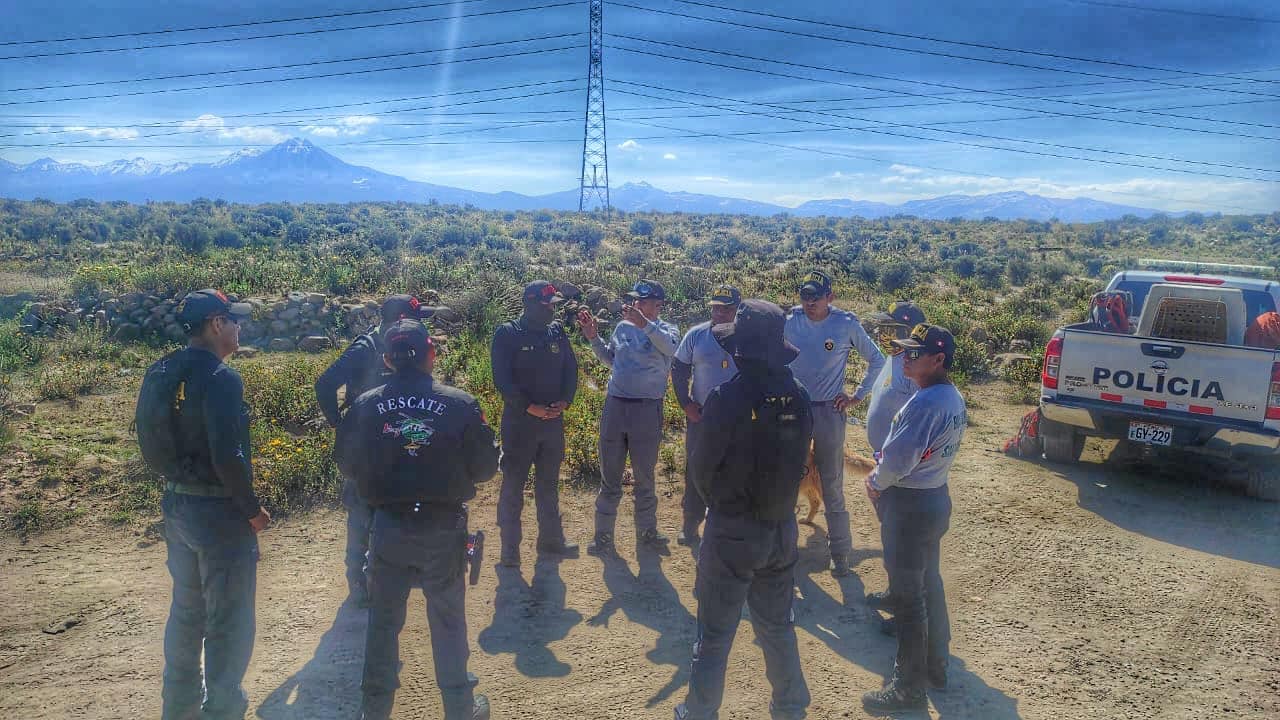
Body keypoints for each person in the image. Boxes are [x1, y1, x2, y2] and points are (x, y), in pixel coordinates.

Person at [336, 319, 498, 720]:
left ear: (388, 359)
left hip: (388, 527)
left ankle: (373, 711)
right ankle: (460, 708)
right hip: (442, 530)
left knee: (383, 625)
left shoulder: (365, 404)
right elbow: (484, 469)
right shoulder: (460, 403)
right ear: (431, 354)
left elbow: (346, 465)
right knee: (447, 623)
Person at [675, 299, 814, 720]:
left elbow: (701, 470)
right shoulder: (799, 396)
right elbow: (800, 462)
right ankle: (790, 707)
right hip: (781, 528)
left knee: (715, 633)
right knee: (777, 627)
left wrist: (719, 505)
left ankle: (699, 712)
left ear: (739, 351)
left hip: (733, 530)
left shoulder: (726, 398)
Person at [146, 289, 271, 720]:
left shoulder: (160, 370)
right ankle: (222, 708)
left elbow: (149, 442)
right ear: (216, 325)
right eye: (234, 322)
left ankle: (178, 706)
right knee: (229, 619)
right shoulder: (222, 378)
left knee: (186, 610)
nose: (239, 330)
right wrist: (252, 510)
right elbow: (228, 456)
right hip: (219, 516)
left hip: (177, 507)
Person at [861, 324, 965, 714]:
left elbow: (899, 462)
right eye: (904, 351)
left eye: (914, 353)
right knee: (928, 585)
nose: (906, 357)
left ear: (938, 359)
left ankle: (908, 688)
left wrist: (875, 481)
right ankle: (936, 667)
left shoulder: (925, 404)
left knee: (908, 601)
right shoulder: (950, 396)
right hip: (934, 498)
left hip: (909, 505)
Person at [316, 294, 434, 606]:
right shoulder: (365, 348)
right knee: (360, 513)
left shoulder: (411, 346)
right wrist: (339, 424)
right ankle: (357, 583)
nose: (419, 323)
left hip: (399, 446)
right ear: (397, 319)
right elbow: (325, 384)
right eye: (415, 317)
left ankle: (396, 575)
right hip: (365, 451)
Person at [783, 270, 886, 576]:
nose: (810, 303)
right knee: (787, 481)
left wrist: (857, 396)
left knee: (831, 483)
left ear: (831, 297)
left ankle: (840, 553)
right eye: (805, 297)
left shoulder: (845, 324)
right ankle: (784, 549)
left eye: (816, 297)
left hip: (829, 411)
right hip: (794, 410)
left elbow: (877, 360)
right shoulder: (790, 321)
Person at [577, 279, 680, 556]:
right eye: (634, 300)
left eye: (641, 301)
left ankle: (647, 533)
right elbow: (612, 360)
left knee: (644, 477)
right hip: (616, 407)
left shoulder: (668, 330)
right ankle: (603, 537)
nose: (635, 304)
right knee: (609, 477)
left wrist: (644, 323)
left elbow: (671, 349)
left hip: (646, 410)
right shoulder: (622, 327)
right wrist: (592, 337)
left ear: (657, 305)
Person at [490, 281, 580, 567]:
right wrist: (531, 408)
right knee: (513, 486)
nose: (553, 309)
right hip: (520, 424)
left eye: (554, 304)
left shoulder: (557, 332)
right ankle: (510, 550)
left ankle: (551, 541)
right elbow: (502, 380)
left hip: (553, 424)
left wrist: (565, 401)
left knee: (548, 485)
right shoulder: (508, 334)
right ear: (529, 303)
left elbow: (571, 369)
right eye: (547, 304)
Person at [862, 301, 927, 618]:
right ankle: (895, 594)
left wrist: (886, 475)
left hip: (900, 472)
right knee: (891, 536)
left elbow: (916, 432)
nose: (881, 331)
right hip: (886, 465)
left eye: (890, 328)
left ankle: (907, 613)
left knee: (902, 543)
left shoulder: (914, 371)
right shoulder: (894, 359)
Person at [671, 283, 741, 548]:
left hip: (738, 419)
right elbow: (679, 369)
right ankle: (690, 525)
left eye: (727, 309)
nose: (720, 313)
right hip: (701, 417)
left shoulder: (746, 336)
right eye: (716, 308)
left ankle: (727, 527)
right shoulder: (696, 335)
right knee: (696, 470)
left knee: (734, 470)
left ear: (737, 310)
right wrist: (686, 404)